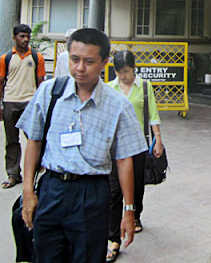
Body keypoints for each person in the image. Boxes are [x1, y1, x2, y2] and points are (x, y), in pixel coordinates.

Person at [17, 28, 147, 263]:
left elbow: (124, 160)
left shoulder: (118, 106)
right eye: (75, 59)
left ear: (105, 62)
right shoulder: (49, 93)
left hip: (92, 194)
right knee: (45, 255)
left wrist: (129, 211)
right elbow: (33, 142)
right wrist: (28, 191)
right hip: (51, 189)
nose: (80, 68)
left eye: (89, 61)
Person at [106, 50, 163, 262]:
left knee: (137, 185)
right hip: (115, 148)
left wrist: (158, 139)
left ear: (134, 69)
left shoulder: (145, 87)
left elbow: (153, 115)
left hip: (138, 146)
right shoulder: (109, 89)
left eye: (127, 71)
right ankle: (113, 239)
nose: (123, 76)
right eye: (120, 72)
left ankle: (135, 215)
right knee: (113, 192)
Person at [0, 23, 46, 189]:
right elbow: (0, 83)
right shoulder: (7, 58)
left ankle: (37, 171)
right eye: (21, 36)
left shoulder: (37, 58)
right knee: (11, 141)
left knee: (35, 138)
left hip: (30, 102)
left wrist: (42, 105)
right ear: (14, 38)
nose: (25, 39)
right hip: (10, 101)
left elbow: (41, 83)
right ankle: (13, 174)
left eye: (27, 36)